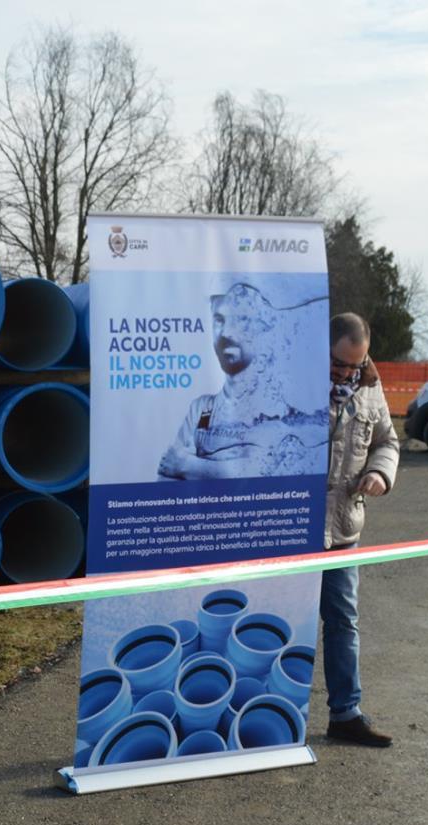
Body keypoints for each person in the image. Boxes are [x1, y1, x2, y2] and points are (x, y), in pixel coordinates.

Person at [319, 313, 400, 746]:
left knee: (343, 622)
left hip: (344, 530)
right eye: (338, 364)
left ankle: (345, 714)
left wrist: (379, 474)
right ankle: (268, 713)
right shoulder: (290, 382)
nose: (347, 373)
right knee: (276, 623)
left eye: (355, 364)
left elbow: (387, 440)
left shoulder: (370, 389)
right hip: (290, 532)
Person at [158, 280, 315, 480]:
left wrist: (190, 466)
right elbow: (167, 475)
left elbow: (265, 473)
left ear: (264, 330)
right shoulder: (202, 409)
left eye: (241, 319)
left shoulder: (280, 414)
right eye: (219, 320)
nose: (226, 333)